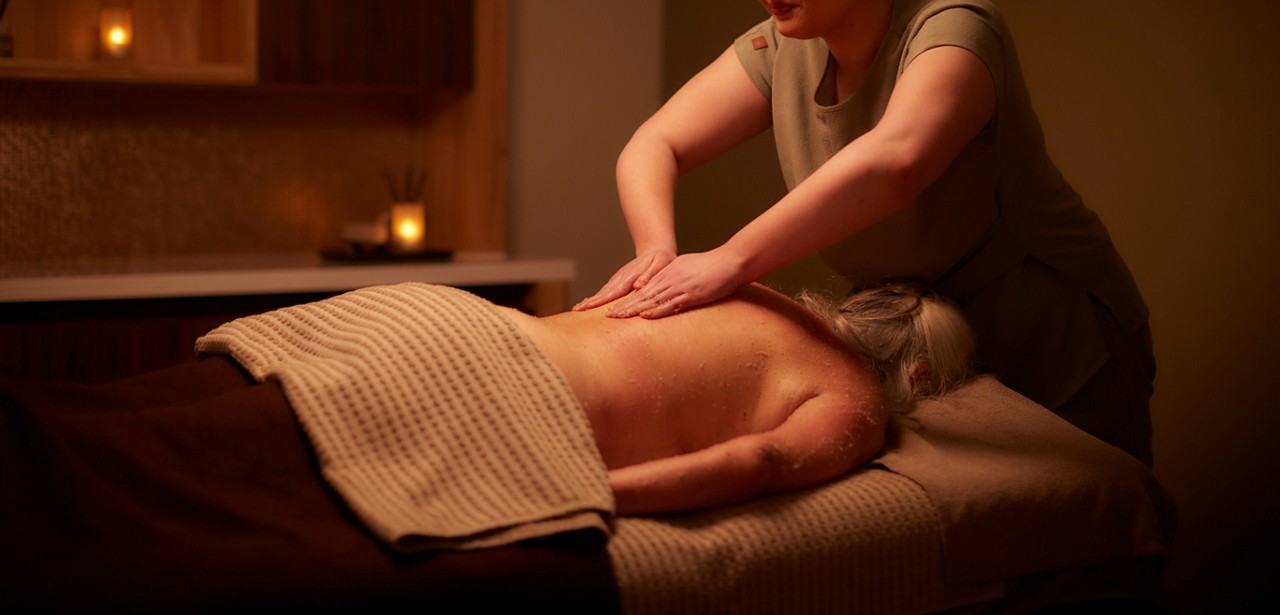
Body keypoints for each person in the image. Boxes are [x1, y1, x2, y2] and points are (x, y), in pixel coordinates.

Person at [575, 0, 1154, 465]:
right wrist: (656, 250)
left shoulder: (954, 26)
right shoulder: (781, 45)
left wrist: (730, 259)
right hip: (913, 341)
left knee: (1087, 543)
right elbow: (655, 144)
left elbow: (898, 159)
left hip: (1047, 324)